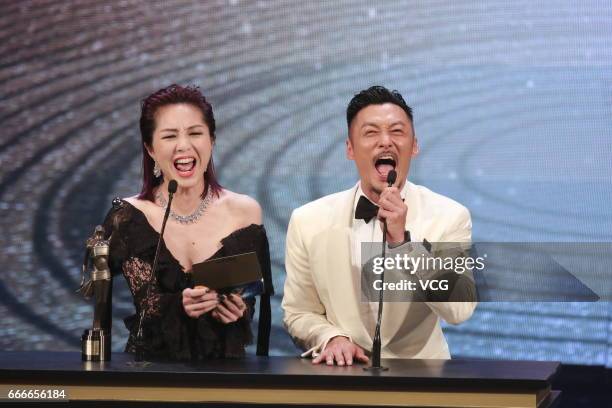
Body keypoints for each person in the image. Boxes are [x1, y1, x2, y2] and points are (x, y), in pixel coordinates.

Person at [282, 85, 476, 365]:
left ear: (415, 145)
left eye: (397, 131)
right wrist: (331, 337)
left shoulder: (449, 216)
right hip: (342, 378)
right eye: (371, 132)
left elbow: (460, 309)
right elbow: (298, 312)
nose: (385, 141)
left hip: (423, 379)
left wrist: (402, 244)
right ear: (350, 149)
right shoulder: (308, 220)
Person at [102, 84, 273, 360]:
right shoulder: (128, 217)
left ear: (212, 141)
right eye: (170, 136)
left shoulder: (244, 211)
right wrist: (177, 306)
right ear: (150, 149)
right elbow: (101, 292)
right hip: (149, 377)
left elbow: (250, 296)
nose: (184, 145)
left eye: (195, 133)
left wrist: (237, 310)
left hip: (228, 380)